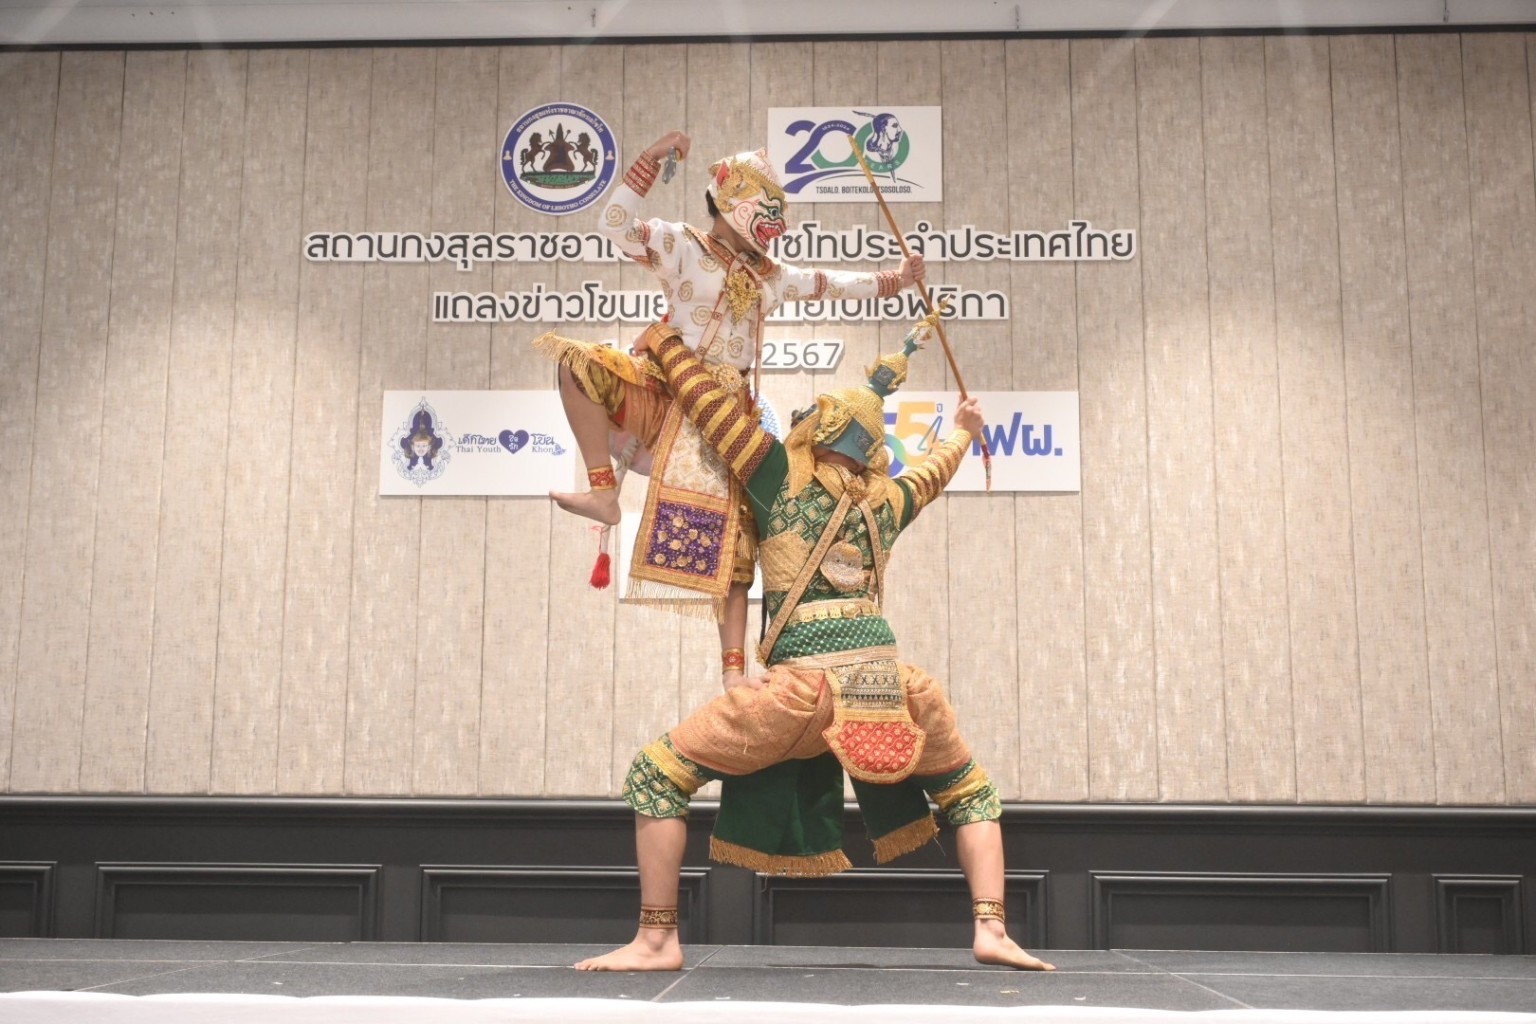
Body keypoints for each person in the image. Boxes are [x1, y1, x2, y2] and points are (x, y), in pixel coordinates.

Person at [574, 310, 1054, 974]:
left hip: (800, 690)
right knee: (971, 792)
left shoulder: (778, 475)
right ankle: (992, 928)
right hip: (886, 685)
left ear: (821, 431)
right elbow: (934, 470)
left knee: (655, 777)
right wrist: (966, 432)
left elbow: (710, 407)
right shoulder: (888, 500)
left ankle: (657, 940)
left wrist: (668, 343)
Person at [533, 131, 925, 684]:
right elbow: (615, 225)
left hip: (726, 412)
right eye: (765, 207)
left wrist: (896, 281)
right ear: (730, 200)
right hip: (666, 388)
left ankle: (733, 675)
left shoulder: (772, 275)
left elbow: (831, 284)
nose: (773, 223)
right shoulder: (682, 245)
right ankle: (603, 492)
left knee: (737, 544)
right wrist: (648, 160)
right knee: (576, 364)